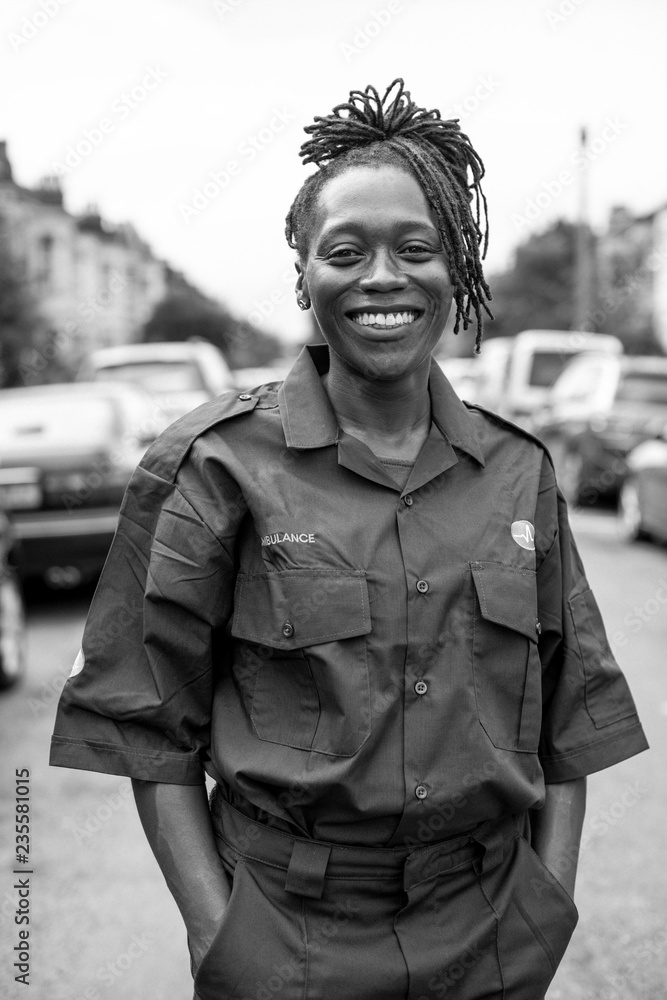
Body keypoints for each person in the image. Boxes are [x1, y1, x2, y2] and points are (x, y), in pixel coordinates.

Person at [50, 80, 648, 1000]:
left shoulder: (517, 472)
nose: (382, 277)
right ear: (302, 274)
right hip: (286, 941)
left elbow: (575, 722)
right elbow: (145, 726)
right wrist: (222, 936)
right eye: (345, 252)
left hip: (491, 934)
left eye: (416, 249)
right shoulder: (210, 467)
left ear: (457, 271)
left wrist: (547, 909)